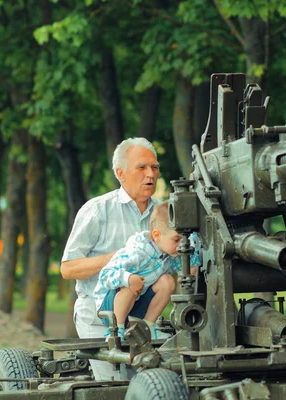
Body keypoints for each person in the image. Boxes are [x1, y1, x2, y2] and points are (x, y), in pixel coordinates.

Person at [61, 137, 174, 380]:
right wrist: (116, 258)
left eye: (154, 167)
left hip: (143, 320)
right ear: (120, 173)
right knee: (117, 388)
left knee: (156, 384)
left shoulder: (164, 214)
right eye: (141, 167)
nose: (150, 174)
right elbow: (68, 269)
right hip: (99, 319)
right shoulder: (97, 210)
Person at [93, 201, 200, 340]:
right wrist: (128, 279)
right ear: (156, 235)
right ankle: (116, 331)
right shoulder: (137, 252)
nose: (181, 245)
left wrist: (195, 242)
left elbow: (191, 268)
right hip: (110, 309)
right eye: (176, 239)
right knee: (129, 286)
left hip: (136, 307)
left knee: (167, 281)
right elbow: (105, 275)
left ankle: (148, 327)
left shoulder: (170, 255)